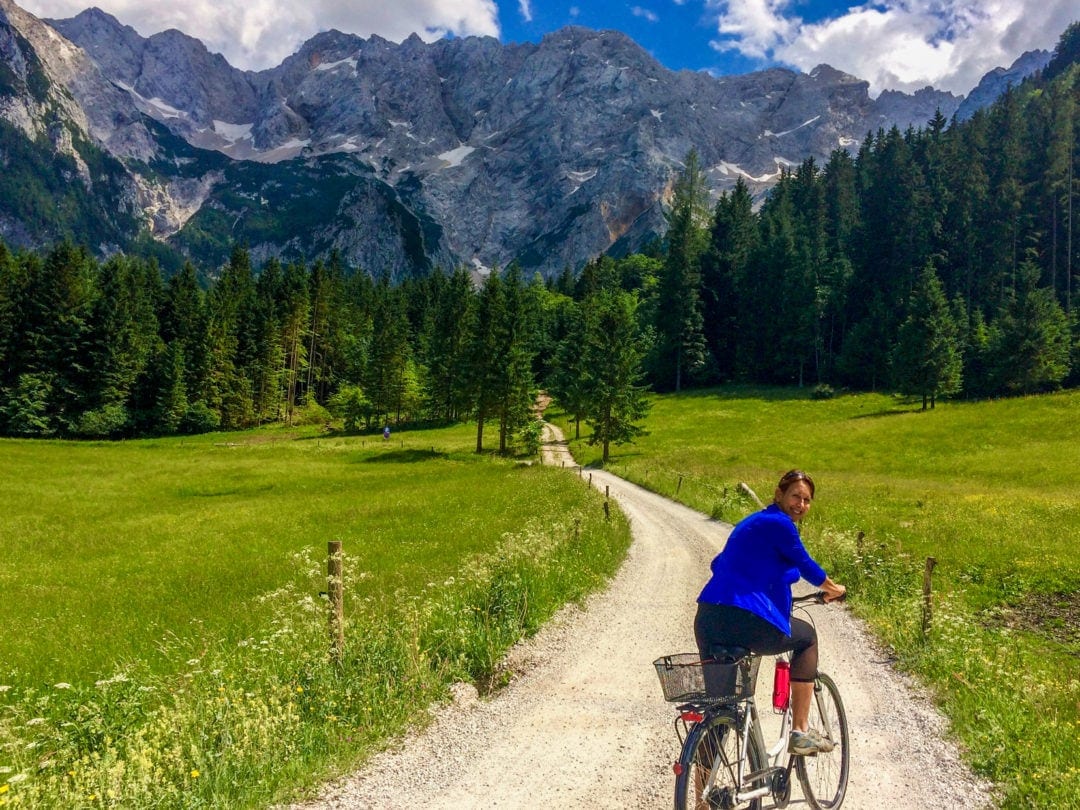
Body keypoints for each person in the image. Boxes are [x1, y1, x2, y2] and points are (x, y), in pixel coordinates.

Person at [694, 469, 846, 756]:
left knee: (720, 711)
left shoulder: (750, 524)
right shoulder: (780, 524)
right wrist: (833, 588)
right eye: (795, 496)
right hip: (746, 619)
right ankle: (800, 732)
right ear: (779, 494)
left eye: (807, 500)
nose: (800, 505)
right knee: (807, 637)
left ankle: (704, 798)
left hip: (709, 617)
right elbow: (805, 565)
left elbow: (721, 564)